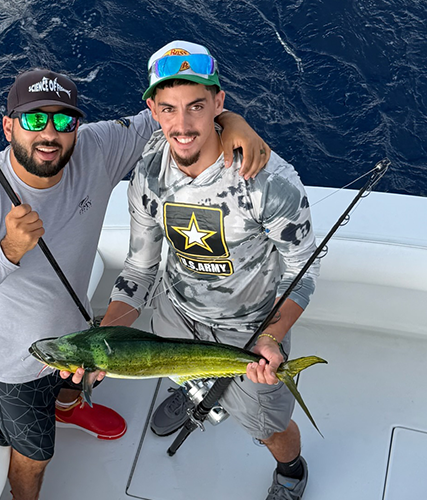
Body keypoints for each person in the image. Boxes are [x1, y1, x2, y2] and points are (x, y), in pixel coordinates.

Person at [0, 68, 271, 500]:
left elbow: (172, 116)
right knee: (34, 454)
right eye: (35, 120)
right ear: (8, 125)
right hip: (15, 361)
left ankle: (68, 408)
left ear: (78, 126)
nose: (50, 134)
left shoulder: (97, 147)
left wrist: (233, 121)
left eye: (64, 121)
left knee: (75, 383)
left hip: (78, 332)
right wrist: (8, 250)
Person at [98, 41, 320, 500]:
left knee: (269, 426)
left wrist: (272, 337)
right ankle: (195, 390)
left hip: (251, 329)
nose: (183, 124)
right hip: (175, 314)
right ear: (153, 111)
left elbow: (303, 270)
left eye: (197, 106)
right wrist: (104, 337)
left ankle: (292, 470)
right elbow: (140, 267)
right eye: (169, 109)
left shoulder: (270, 183)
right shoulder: (147, 177)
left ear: (219, 103)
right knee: (180, 371)